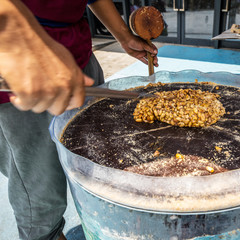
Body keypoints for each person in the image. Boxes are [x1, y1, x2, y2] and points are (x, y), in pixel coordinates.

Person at [0, 0, 158, 239]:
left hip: (79, 55)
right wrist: (14, 39)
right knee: (40, 193)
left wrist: (123, 35)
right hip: (24, 76)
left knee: (99, 164)